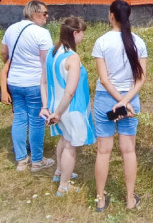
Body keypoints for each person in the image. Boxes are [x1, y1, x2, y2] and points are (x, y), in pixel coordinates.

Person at [92, 0, 147, 212]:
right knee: (128, 150)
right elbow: (141, 79)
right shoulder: (138, 42)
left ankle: (99, 199)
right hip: (130, 100)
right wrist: (125, 101)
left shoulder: (102, 42)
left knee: (103, 151)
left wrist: (118, 101)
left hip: (106, 99)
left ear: (111, 16)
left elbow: (104, 79)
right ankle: (130, 198)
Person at [40, 17, 96, 197]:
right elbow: (70, 92)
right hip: (69, 109)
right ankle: (64, 185)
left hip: (54, 105)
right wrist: (58, 112)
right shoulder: (72, 57)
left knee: (64, 139)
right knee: (71, 145)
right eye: (82, 33)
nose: (84, 37)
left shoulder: (51, 51)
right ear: (75, 33)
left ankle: (59, 171)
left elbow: (43, 82)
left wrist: (46, 107)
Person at [0, 0, 54, 172]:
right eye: (44, 13)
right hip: (34, 82)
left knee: (19, 119)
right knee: (37, 120)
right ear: (35, 13)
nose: (47, 16)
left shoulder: (10, 29)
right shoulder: (42, 33)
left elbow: (4, 52)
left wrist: (13, 66)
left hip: (14, 82)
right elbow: (47, 62)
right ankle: (37, 161)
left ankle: (21, 160)